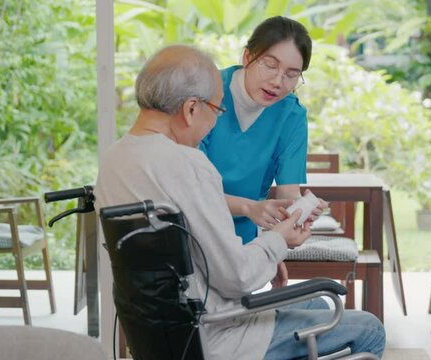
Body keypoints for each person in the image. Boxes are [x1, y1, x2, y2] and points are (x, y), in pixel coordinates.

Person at [95, 45, 385, 360]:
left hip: (164, 333)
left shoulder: (113, 160)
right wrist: (279, 240)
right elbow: (236, 278)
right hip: (218, 333)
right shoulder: (187, 163)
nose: (216, 122)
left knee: (315, 305)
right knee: (369, 328)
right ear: (192, 108)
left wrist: (269, 248)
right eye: (217, 110)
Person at [200, 16, 326, 288]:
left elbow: (287, 195)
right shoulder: (206, 94)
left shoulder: (291, 114)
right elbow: (189, 191)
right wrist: (250, 208)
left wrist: (297, 213)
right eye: (270, 65)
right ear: (248, 56)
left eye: (292, 74)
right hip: (195, 234)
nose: (278, 82)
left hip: (245, 245)